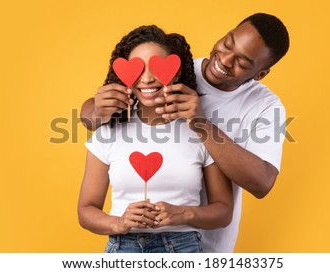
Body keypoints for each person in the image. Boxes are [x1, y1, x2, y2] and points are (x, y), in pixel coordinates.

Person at [80, 13, 290, 252]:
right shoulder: (174, 66)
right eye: (227, 43)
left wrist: (201, 124)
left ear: (260, 74)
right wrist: (97, 109)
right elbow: (91, 118)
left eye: (242, 63)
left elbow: (262, 183)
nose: (224, 60)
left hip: (204, 244)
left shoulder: (265, 106)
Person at [77, 25, 233, 253]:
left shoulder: (202, 131)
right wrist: (118, 222)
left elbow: (223, 211)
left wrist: (184, 213)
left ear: (176, 73)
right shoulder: (108, 129)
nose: (147, 79)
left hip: (184, 249)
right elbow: (86, 210)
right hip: (123, 248)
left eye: (156, 68)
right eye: (137, 69)